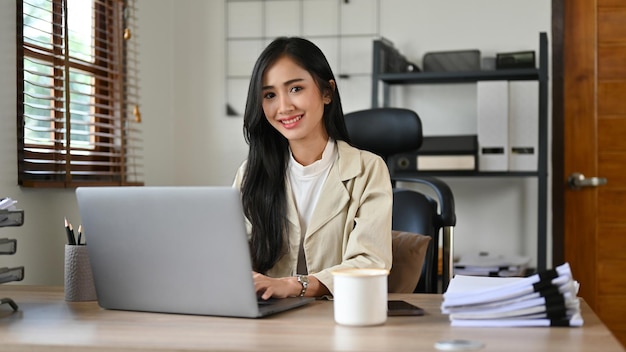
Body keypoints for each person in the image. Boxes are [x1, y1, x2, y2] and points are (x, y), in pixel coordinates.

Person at [232, 37, 392, 300]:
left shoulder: (368, 169)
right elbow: (232, 253)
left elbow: (370, 262)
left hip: (340, 316)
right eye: (270, 95)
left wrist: (297, 285)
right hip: (268, 320)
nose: (284, 107)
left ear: (327, 92)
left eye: (295, 89)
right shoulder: (251, 173)